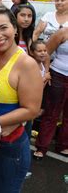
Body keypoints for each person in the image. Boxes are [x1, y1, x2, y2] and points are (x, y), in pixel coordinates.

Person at [0, 6, 42, 192]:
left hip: (9, 148)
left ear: (14, 28)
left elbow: (31, 110)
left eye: (3, 28)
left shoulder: (26, 64)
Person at [34, 26, 68, 158]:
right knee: (51, 113)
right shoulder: (63, 32)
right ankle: (41, 147)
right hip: (58, 75)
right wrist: (46, 72)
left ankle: (63, 145)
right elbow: (46, 52)